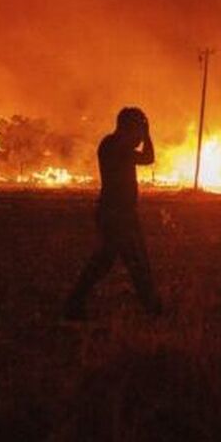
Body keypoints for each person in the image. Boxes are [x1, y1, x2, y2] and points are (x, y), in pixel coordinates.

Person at [64, 107, 162, 319]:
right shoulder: (115, 145)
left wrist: (144, 133)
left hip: (119, 213)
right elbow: (148, 157)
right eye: (136, 129)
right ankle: (152, 308)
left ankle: (74, 303)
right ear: (127, 127)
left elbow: (147, 157)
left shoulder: (114, 144)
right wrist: (147, 135)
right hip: (117, 214)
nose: (138, 136)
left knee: (109, 261)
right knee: (134, 261)